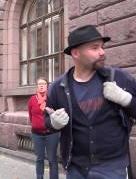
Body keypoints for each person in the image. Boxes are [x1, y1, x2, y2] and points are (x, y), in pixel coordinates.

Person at [44, 25, 136, 179]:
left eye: (102, 47)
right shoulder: (58, 87)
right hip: (76, 170)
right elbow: (45, 120)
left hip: (114, 169)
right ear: (76, 53)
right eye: (95, 48)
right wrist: (53, 123)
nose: (102, 52)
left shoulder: (118, 77)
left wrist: (126, 99)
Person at [28, 77, 59, 179]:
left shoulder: (52, 98)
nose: (41, 86)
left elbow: (57, 115)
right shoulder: (32, 100)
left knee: (52, 159)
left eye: (43, 84)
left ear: (47, 86)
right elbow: (31, 116)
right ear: (37, 86)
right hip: (37, 134)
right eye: (39, 84)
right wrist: (36, 125)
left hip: (51, 134)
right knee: (39, 159)